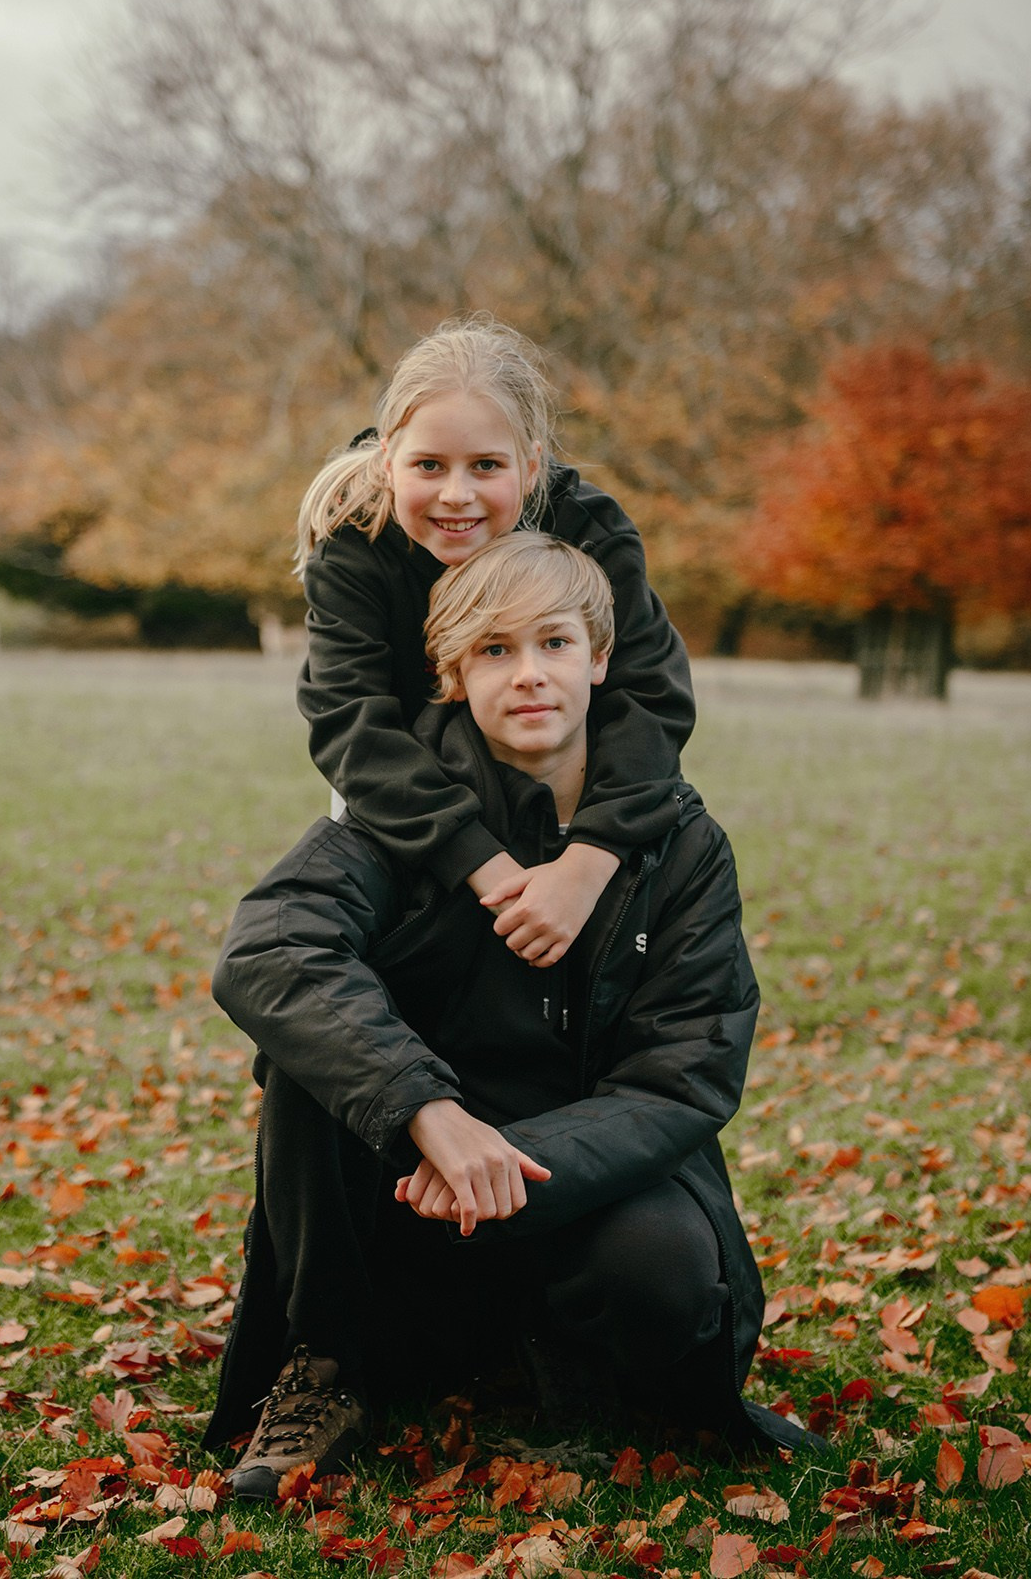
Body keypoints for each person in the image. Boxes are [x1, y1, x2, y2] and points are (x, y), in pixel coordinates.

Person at [204, 534, 819, 1496]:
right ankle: (328, 1366)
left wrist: (508, 1164)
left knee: (661, 1272)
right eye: (494, 649)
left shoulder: (682, 845)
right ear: (451, 677)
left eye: (553, 643)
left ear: (599, 658)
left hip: (580, 1182)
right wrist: (430, 1116)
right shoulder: (393, 822)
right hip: (410, 1190)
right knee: (306, 1056)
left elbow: (686, 1072)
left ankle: (552, 1361)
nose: (529, 673)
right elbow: (268, 950)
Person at [295, 316, 694, 972]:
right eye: (429, 465)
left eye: (486, 465)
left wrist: (585, 868)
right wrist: (486, 869)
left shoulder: (590, 531)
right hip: (408, 800)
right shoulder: (353, 546)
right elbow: (350, 722)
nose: (457, 495)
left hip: (567, 799)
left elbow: (651, 698)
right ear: (389, 459)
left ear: (531, 466)